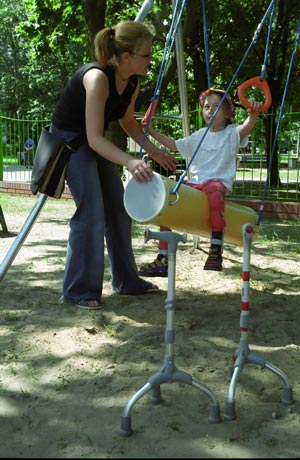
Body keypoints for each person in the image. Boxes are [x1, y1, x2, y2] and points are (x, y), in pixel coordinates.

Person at [50, 20, 178, 310]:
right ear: (125, 57)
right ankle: (78, 290)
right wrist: (131, 161)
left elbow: (128, 123)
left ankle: (127, 281)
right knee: (92, 212)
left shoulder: (132, 81)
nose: (150, 59)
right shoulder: (97, 78)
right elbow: (94, 138)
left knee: (119, 210)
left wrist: (155, 152)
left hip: (93, 141)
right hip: (70, 142)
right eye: (146, 54)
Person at [138, 88, 262, 273]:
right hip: (196, 184)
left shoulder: (232, 133)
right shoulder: (198, 136)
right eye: (206, 107)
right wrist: (150, 130)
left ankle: (215, 250)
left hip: (216, 183)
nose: (210, 110)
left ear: (228, 112)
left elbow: (246, 127)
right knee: (168, 203)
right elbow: (172, 145)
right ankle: (163, 258)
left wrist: (253, 115)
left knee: (214, 193)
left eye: (216, 106)